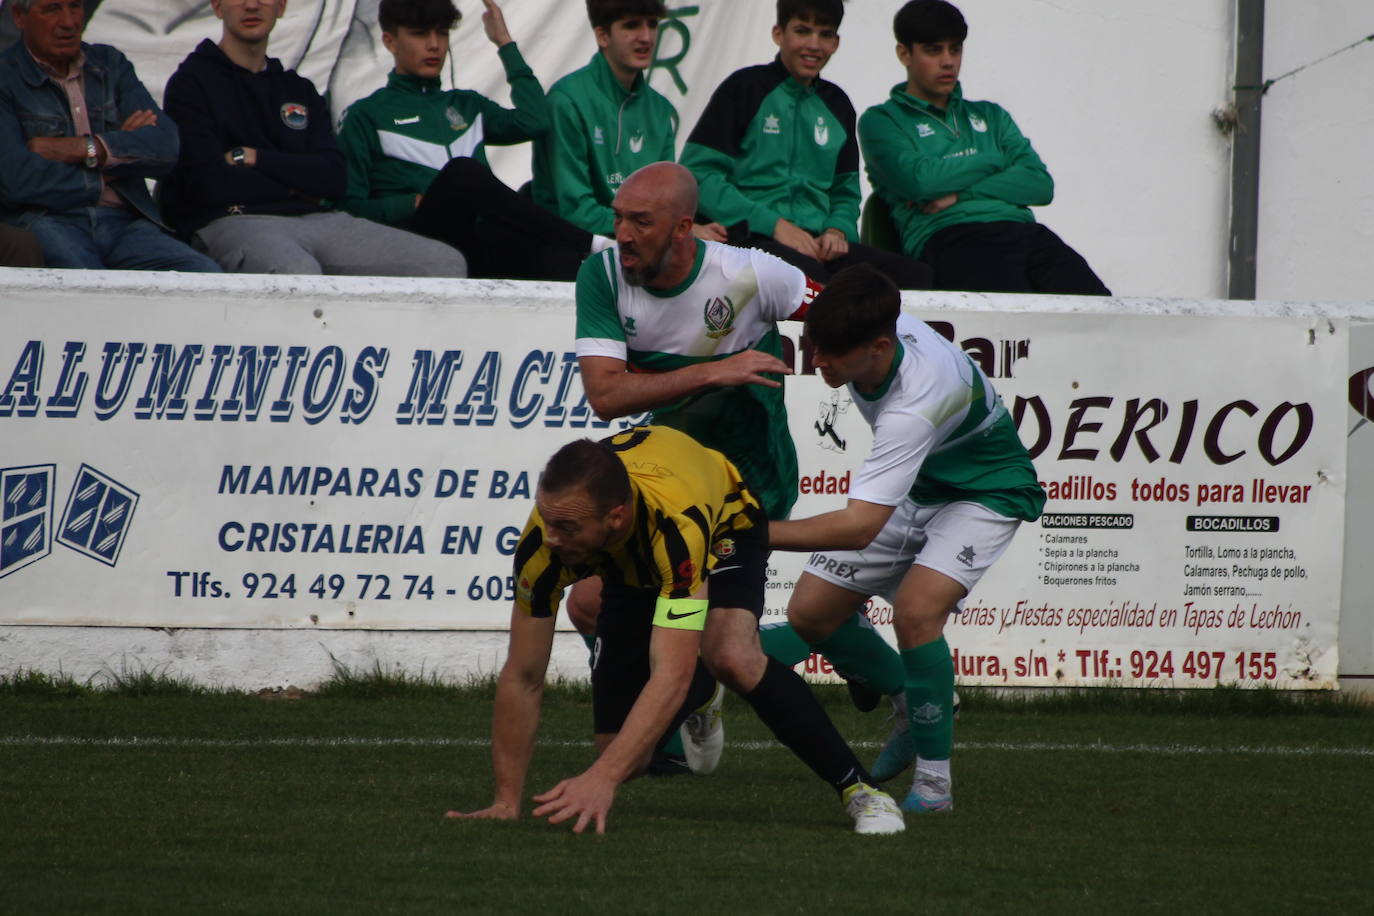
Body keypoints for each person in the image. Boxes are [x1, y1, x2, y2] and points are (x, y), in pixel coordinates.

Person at [568, 160, 907, 772]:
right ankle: (691, 706)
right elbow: (605, 395)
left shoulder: (753, 275)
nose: (621, 235)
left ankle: (878, 694)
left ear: (683, 229)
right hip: (665, 482)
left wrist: (906, 405)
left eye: (639, 222)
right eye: (617, 218)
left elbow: (848, 323)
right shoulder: (602, 274)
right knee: (590, 606)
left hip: (749, 483)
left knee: (725, 644)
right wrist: (717, 370)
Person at [448, 426, 904, 835]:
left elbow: (671, 673)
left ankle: (859, 788)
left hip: (723, 521)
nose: (551, 538)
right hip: (629, 555)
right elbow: (523, 675)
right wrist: (505, 801)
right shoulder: (543, 546)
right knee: (625, 756)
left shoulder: (676, 534)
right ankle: (707, 688)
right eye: (546, 520)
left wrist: (601, 778)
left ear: (615, 518)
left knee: (731, 655)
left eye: (565, 526)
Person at [767, 263, 1047, 813]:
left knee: (917, 613)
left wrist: (753, 534)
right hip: (921, 484)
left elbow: (860, 525)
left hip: (985, 490)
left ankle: (935, 786)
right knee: (810, 614)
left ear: (877, 347)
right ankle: (906, 703)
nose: (816, 360)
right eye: (813, 345)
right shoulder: (868, 327)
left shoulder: (916, 403)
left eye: (830, 352)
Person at [160, 0, 467, 277]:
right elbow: (208, 183)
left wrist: (257, 158)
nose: (252, 5)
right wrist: (298, 184)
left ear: (281, 6)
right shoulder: (191, 83)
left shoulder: (298, 89)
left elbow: (334, 179)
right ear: (217, 6)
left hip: (316, 220)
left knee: (444, 263)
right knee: (297, 272)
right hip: (231, 221)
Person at [337, 0, 607, 281]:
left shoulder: (467, 104)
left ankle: (587, 261)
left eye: (442, 33)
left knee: (558, 254)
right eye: (420, 33)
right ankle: (591, 243)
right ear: (390, 41)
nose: (434, 45)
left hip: (479, 242)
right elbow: (347, 207)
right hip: (415, 243)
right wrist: (409, 204)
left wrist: (504, 43)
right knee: (462, 173)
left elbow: (535, 122)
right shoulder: (364, 115)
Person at [858, 0, 1109, 295]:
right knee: (1015, 321)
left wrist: (962, 193)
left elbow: (1040, 185)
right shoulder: (882, 120)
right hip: (952, 236)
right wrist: (992, 160)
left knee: (1103, 314)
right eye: (933, 50)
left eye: (956, 49)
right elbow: (921, 181)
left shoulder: (992, 115)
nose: (948, 61)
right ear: (904, 53)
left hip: (1027, 232)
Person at [681, 0, 931, 290]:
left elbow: (845, 192)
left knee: (916, 277)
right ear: (778, 34)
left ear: (836, 43)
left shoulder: (838, 105)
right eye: (802, 31)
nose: (814, 45)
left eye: (825, 35)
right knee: (814, 281)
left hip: (817, 245)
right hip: (747, 238)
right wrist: (775, 225)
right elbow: (700, 176)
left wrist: (838, 229)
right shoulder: (744, 88)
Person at [0, 0, 219, 272]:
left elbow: (166, 146)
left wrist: (85, 149)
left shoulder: (110, 64)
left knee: (205, 277)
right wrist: (115, 159)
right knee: (89, 292)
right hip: (49, 220)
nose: (69, 21)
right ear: (20, 17)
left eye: (75, 6)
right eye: (52, 9)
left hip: (126, 223)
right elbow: (16, 181)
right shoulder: (5, 77)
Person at [531, 0, 724, 243]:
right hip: (569, 244)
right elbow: (576, 211)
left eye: (652, 24)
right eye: (632, 25)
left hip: (639, 244)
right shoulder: (566, 101)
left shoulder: (660, 109)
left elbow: (664, 200)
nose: (646, 37)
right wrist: (665, 227)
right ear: (602, 35)